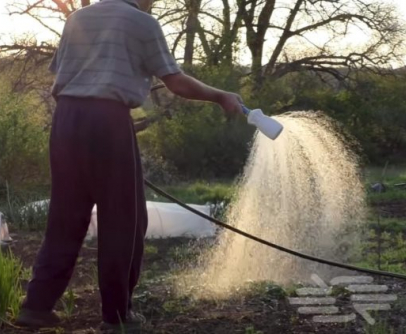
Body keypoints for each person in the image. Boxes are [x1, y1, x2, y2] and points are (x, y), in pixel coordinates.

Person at [14, 0, 242, 332]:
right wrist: (221, 96)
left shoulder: (77, 18)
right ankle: (117, 316)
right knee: (123, 220)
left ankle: (36, 306)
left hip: (66, 121)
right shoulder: (142, 22)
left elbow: (59, 81)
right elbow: (176, 82)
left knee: (65, 217)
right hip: (108, 120)